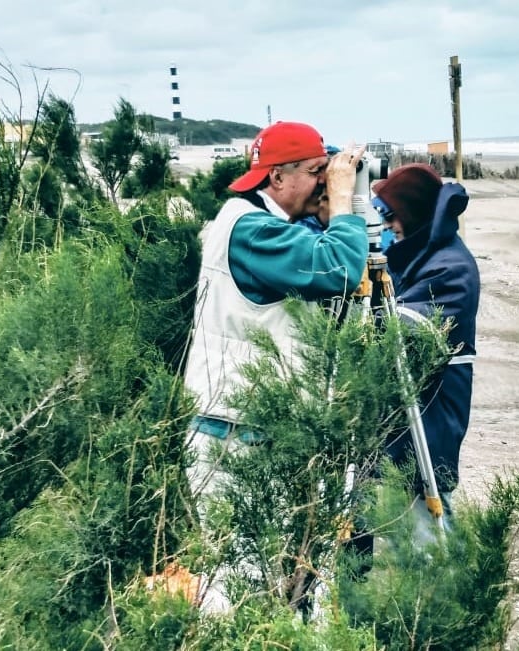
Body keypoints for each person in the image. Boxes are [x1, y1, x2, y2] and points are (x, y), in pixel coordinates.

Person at [183, 121, 367, 610]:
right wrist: (346, 201)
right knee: (237, 585)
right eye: (316, 172)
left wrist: (334, 215)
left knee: (262, 581)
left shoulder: (253, 224)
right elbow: (341, 271)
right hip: (235, 440)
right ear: (277, 178)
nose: (323, 181)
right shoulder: (250, 231)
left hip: (242, 430)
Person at [370, 163, 480, 541]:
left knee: (428, 523)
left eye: (391, 216)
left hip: (431, 412)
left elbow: (407, 334)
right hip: (408, 412)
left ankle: (446, 590)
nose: (387, 226)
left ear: (412, 212)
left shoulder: (451, 268)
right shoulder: (421, 254)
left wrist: (368, 313)